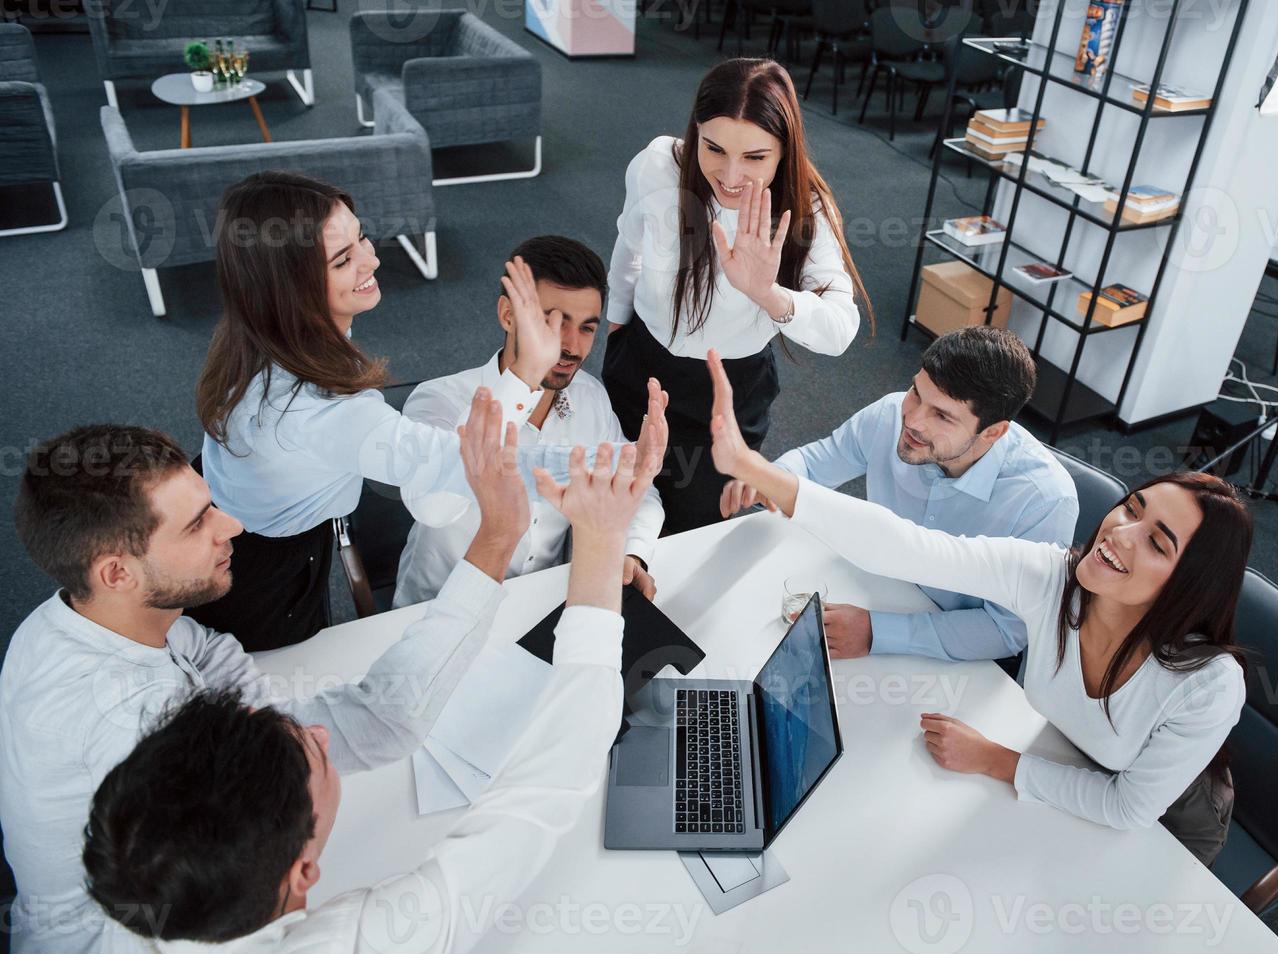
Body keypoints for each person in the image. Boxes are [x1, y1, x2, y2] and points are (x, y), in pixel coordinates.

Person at [0, 390, 564, 954]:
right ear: (116, 572)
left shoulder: (91, 616)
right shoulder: (131, 724)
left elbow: (296, 723)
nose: (233, 526)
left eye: (209, 503)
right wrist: (496, 541)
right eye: (197, 525)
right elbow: (372, 725)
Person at [82, 437, 659, 954]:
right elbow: (545, 785)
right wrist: (602, 541)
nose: (323, 736)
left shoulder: (140, 898)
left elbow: (380, 717)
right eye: (312, 756)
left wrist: (499, 533)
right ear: (303, 874)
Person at [704, 351, 1251, 864]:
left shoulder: (1208, 686)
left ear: (1189, 583)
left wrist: (996, 760)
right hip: (1061, 753)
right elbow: (907, 547)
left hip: (1166, 816)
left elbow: (1128, 806)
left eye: (1158, 543)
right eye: (1131, 508)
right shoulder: (1053, 577)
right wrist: (758, 470)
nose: (1121, 533)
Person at [190, 171, 660, 650]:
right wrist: (594, 449)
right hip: (255, 569)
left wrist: (627, 507)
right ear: (291, 287)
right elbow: (445, 477)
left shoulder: (278, 334)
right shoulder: (316, 410)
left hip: (252, 513)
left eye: (362, 237)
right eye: (343, 258)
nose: (373, 259)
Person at [602, 57, 874, 534]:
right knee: (614, 506)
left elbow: (839, 331)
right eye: (714, 148)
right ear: (696, 131)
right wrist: (618, 320)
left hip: (724, 394)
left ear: (783, 151)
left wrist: (767, 293)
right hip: (639, 366)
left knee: (690, 528)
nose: (729, 175)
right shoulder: (658, 164)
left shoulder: (806, 208)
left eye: (754, 158)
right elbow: (630, 243)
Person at [720, 326, 1078, 663]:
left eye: (942, 416)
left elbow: (1006, 629)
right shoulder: (892, 413)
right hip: (874, 587)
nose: (913, 421)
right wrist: (767, 479)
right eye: (916, 393)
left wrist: (878, 632)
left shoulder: (1045, 502)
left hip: (946, 648)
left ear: (992, 433)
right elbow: (815, 463)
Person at [394, 235, 666, 608]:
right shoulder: (437, 400)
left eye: (587, 327)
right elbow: (431, 507)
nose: (571, 345)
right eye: (552, 322)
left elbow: (639, 493)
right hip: (438, 611)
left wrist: (631, 553)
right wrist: (524, 378)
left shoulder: (589, 397)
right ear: (509, 315)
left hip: (542, 608)